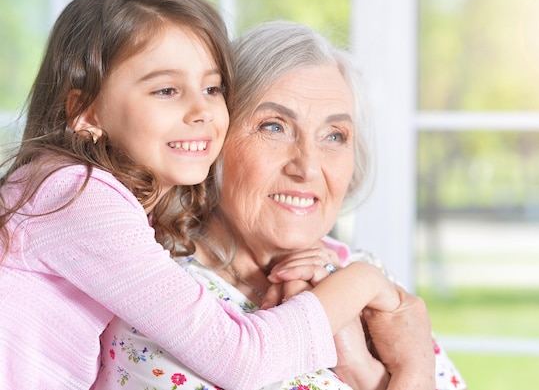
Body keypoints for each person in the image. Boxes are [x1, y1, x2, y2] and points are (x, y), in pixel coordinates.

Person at [0, 0, 420, 390]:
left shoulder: (86, 199)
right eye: (167, 90)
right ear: (86, 112)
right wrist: (363, 282)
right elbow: (242, 359)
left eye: (212, 88)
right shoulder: (78, 197)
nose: (201, 110)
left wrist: (388, 361)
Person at [94, 21, 465, 390]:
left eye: (335, 135)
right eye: (274, 127)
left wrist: (361, 367)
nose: (307, 167)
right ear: (211, 139)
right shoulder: (160, 304)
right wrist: (408, 374)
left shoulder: (365, 277)